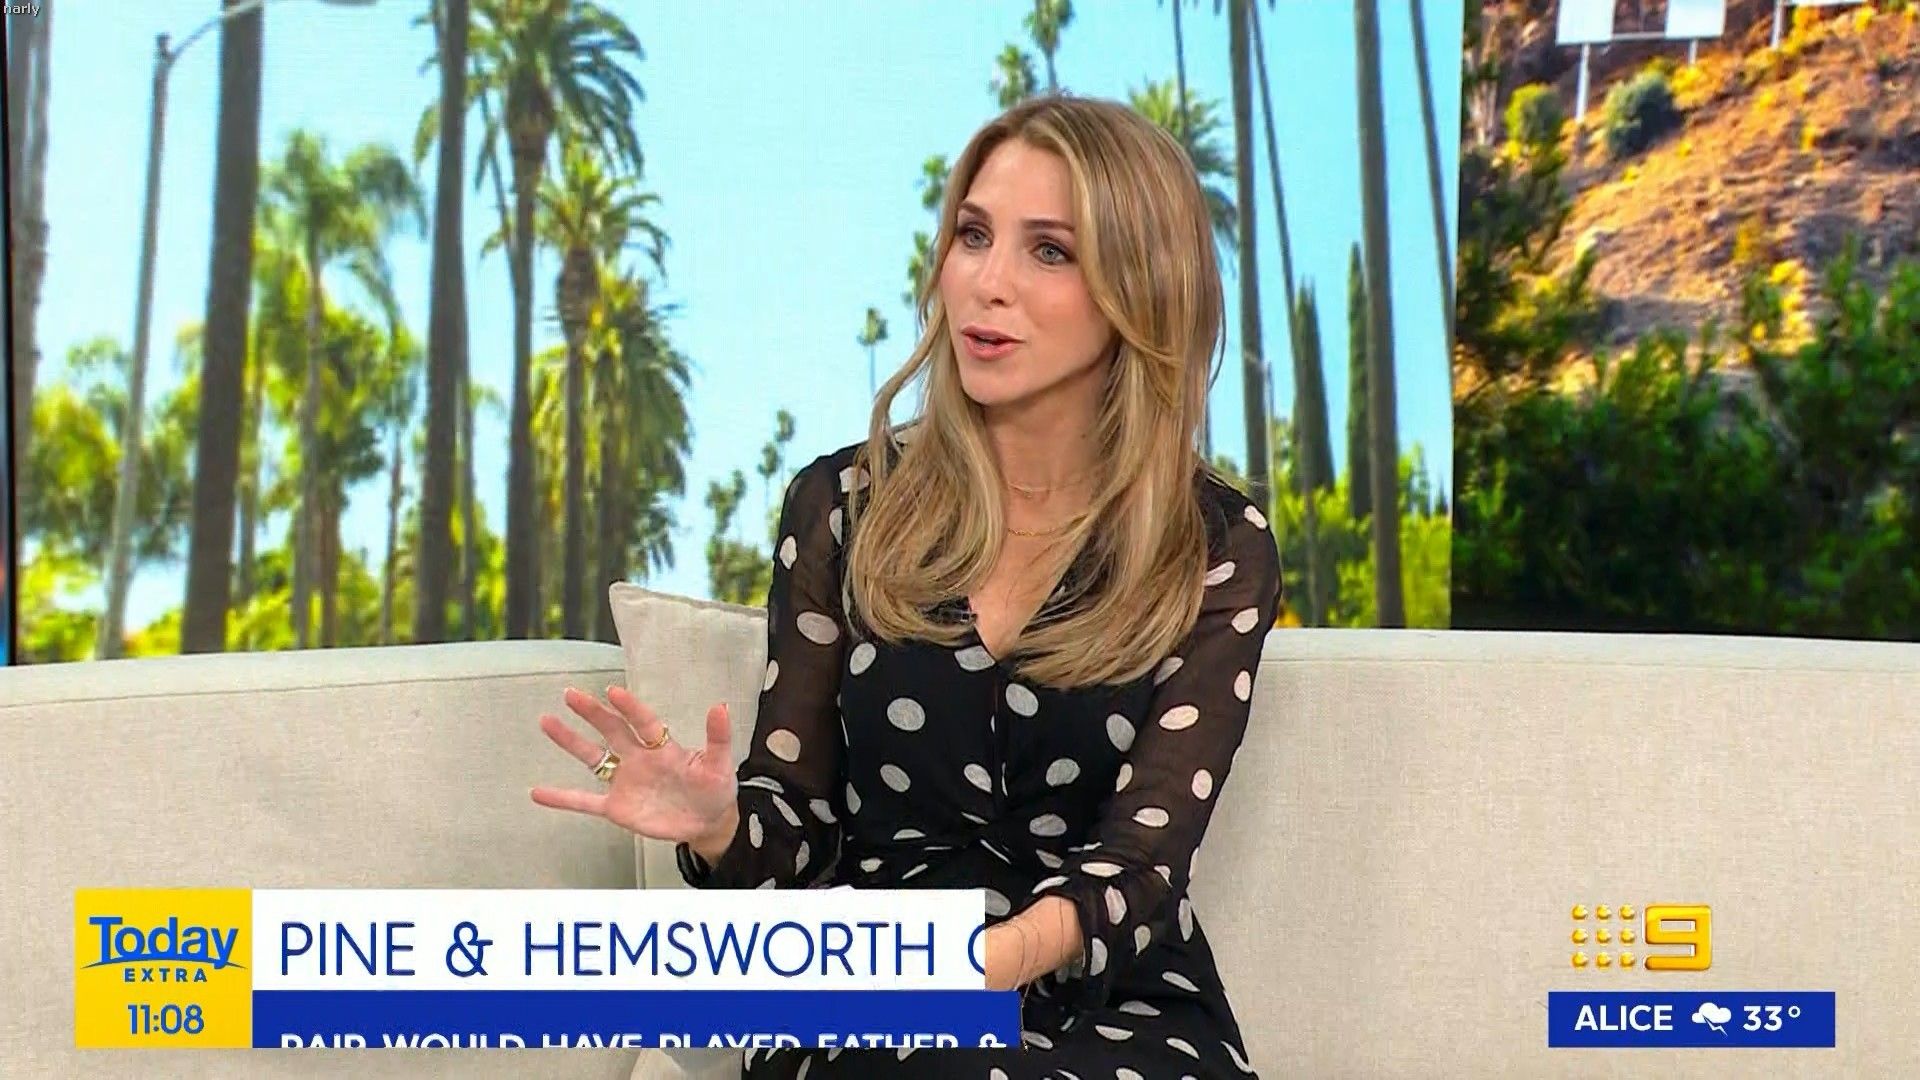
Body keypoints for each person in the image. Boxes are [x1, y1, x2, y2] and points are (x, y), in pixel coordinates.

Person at [533, 93, 1281, 1079]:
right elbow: (796, 828)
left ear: (1141, 286)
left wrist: (991, 963)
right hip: (878, 992)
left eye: (1048, 251)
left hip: (1116, 1002)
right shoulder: (842, 507)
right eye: (973, 235)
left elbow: (1142, 864)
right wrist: (719, 828)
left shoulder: (1215, 545)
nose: (988, 283)